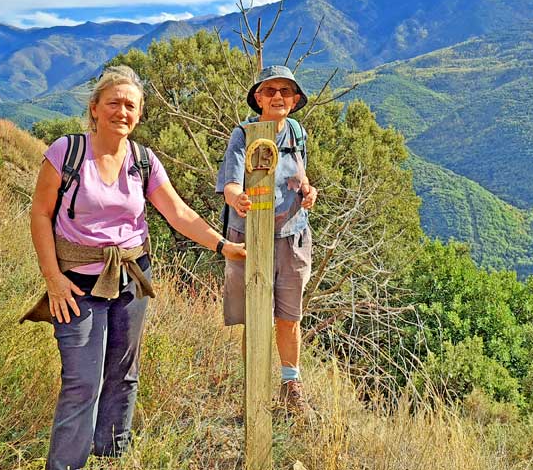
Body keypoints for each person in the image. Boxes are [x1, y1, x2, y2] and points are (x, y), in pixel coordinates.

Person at [26, 65, 246, 470]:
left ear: (140, 113)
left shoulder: (143, 161)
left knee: (123, 374)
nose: (121, 111)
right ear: (94, 108)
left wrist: (222, 245)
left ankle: (112, 456)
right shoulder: (66, 153)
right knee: (82, 382)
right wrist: (53, 280)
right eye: (113, 103)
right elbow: (40, 215)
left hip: (131, 277)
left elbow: (177, 212)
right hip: (75, 282)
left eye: (130, 105)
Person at [216, 65, 319, 417]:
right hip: (250, 238)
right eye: (270, 91)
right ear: (258, 97)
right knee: (256, 315)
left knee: (289, 317)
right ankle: (255, 389)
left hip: (292, 235)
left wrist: (308, 189)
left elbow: (299, 169)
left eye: (286, 92)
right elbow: (230, 182)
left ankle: (291, 386)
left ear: (295, 99)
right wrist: (236, 197)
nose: (278, 97)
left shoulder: (296, 131)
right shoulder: (244, 134)